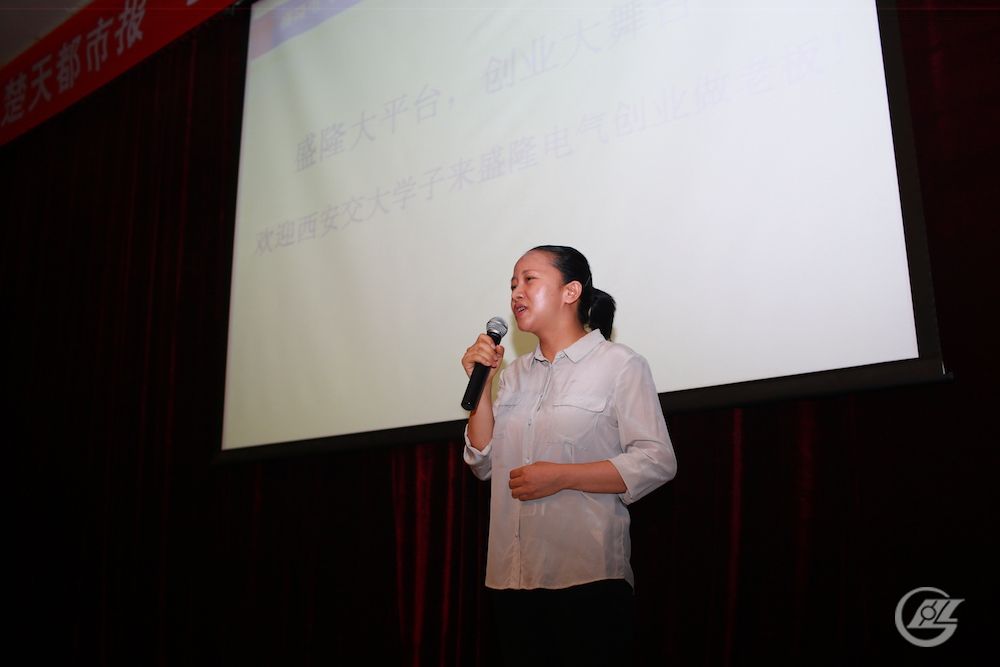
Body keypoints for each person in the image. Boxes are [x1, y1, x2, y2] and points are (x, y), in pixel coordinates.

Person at [461, 245, 677, 666]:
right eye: (512, 284)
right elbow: (482, 462)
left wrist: (563, 476)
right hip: (510, 578)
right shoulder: (514, 375)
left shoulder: (619, 364)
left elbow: (657, 459)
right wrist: (481, 387)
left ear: (571, 291)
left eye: (529, 280)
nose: (516, 293)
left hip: (587, 580)